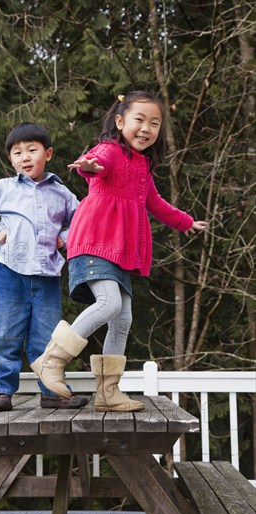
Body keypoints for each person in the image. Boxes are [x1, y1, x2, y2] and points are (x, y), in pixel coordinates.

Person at [30, 91, 209, 412]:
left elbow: (155, 203)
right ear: (119, 121)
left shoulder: (142, 165)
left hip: (119, 251)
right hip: (95, 240)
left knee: (122, 319)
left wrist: (186, 222)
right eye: (139, 120)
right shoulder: (110, 151)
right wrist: (89, 166)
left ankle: (108, 393)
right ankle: (51, 360)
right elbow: (96, 164)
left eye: (154, 123)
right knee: (109, 303)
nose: (146, 128)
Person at [0, 122, 88, 411]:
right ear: (11, 159)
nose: (25, 157)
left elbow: (84, 217)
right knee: (4, 331)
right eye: (17, 153)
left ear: (47, 153)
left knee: (47, 337)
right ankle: (1, 390)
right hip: (9, 271)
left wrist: (65, 238)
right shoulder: (3, 189)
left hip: (46, 274)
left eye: (32, 150)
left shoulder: (61, 192)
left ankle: (52, 392)